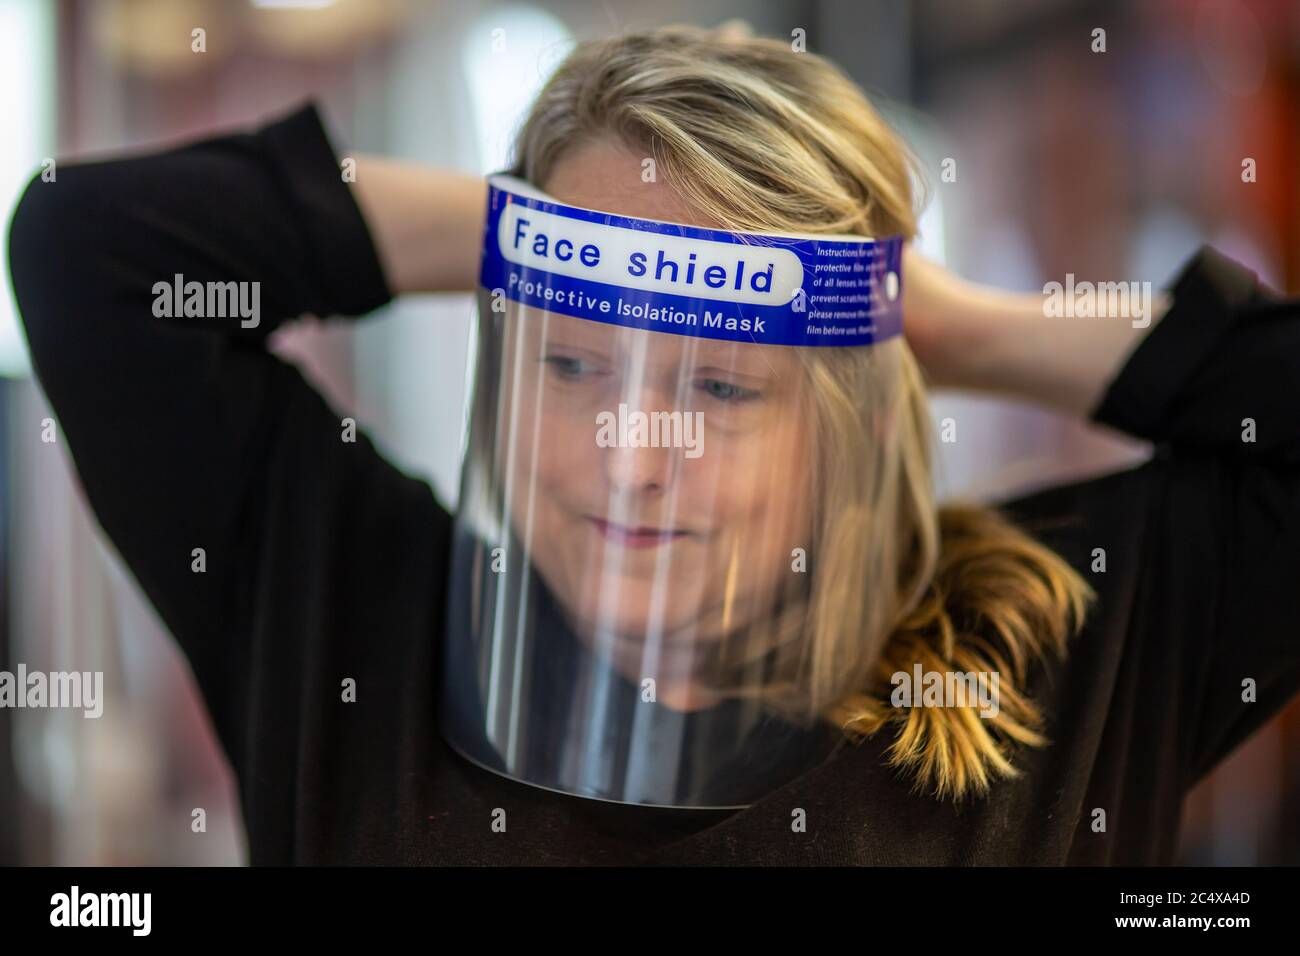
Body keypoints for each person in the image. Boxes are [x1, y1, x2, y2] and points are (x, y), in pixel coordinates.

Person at [7, 25, 1298, 865]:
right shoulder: (349, 617)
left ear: (841, 426)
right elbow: (90, 252)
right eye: (570, 363)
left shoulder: (1056, 663)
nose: (629, 454)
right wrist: (537, 226)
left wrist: (942, 325)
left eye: (724, 390)